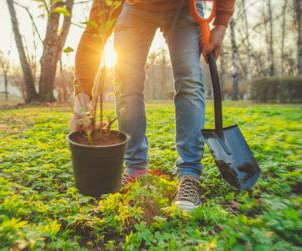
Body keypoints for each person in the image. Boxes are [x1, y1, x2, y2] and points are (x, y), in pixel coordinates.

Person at [71, 0, 235, 211]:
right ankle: (135, 170)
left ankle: (189, 174)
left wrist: (221, 22)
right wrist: (81, 97)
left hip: (185, 5)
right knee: (126, 83)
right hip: (134, 6)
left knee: (190, 81)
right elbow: (95, 31)